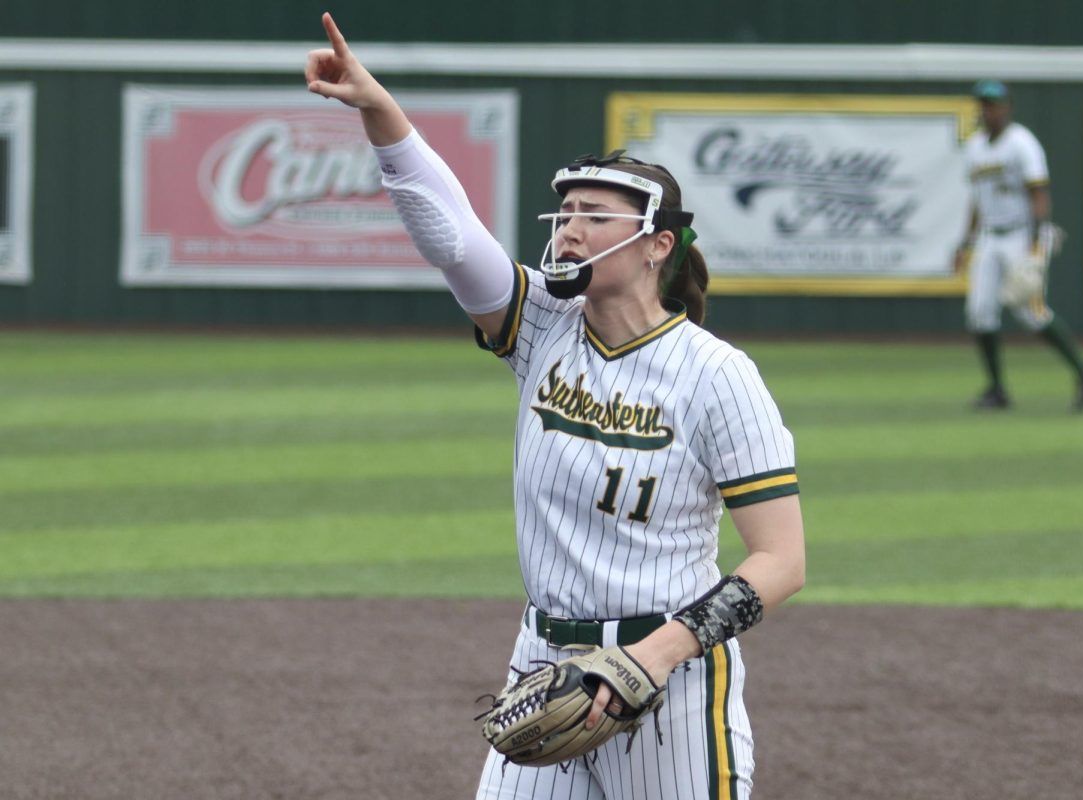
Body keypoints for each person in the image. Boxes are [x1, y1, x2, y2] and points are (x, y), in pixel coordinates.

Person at [306, 12, 806, 800]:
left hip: (667, 684)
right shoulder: (539, 324)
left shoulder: (718, 376)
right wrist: (380, 111)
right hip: (542, 669)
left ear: (655, 244)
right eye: (565, 214)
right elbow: (449, 235)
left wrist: (659, 655)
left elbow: (782, 562)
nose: (569, 230)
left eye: (593, 215)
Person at [953, 79, 1083, 412]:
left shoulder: (1022, 143)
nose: (987, 110)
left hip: (1020, 235)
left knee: (1031, 313)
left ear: (1007, 107)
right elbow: (976, 201)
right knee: (979, 313)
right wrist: (965, 243)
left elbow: (1039, 193)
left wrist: (1037, 243)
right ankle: (997, 390)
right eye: (982, 104)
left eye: (993, 104)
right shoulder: (975, 147)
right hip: (989, 238)